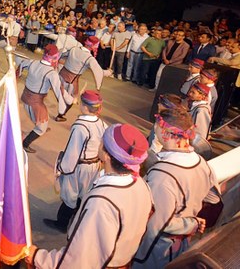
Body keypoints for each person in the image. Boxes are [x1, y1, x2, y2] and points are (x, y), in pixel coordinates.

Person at [26, 124, 153, 269]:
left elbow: (78, 260)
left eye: (102, 141)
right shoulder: (143, 186)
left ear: (106, 155)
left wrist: (37, 257)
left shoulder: (102, 202)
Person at [133, 109, 221, 268]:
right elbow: (213, 199)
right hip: (181, 245)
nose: (154, 129)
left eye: (157, 126)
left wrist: (191, 223)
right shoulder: (202, 164)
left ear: (166, 132)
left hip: (154, 252)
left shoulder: (162, 175)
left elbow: (155, 226)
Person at [44, 91, 108, 232]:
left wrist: (62, 168)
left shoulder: (80, 126)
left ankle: (62, 224)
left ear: (84, 107)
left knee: (70, 195)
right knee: (84, 194)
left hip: (79, 167)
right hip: (94, 165)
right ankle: (76, 219)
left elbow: (73, 151)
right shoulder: (102, 124)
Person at [17, 45, 73, 153]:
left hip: (26, 98)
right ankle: (25, 143)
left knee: (42, 117)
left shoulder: (32, 62)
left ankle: (40, 126)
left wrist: (17, 74)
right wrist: (63, 108)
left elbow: (22, 63)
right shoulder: (51, 73)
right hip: (35, 103)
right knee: (41, 127)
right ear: (55, 58)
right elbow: (58, 91)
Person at [54, 36, 105, 122]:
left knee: (62, 95)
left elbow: (62, 55)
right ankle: (60, 115)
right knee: (71, 100)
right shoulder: (89, 58)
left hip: (61, 76)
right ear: (94, 46)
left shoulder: (74, 49)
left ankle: (61, 110)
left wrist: (58, 60)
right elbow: (98, 71)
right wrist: (99, 85)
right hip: (71, 82)